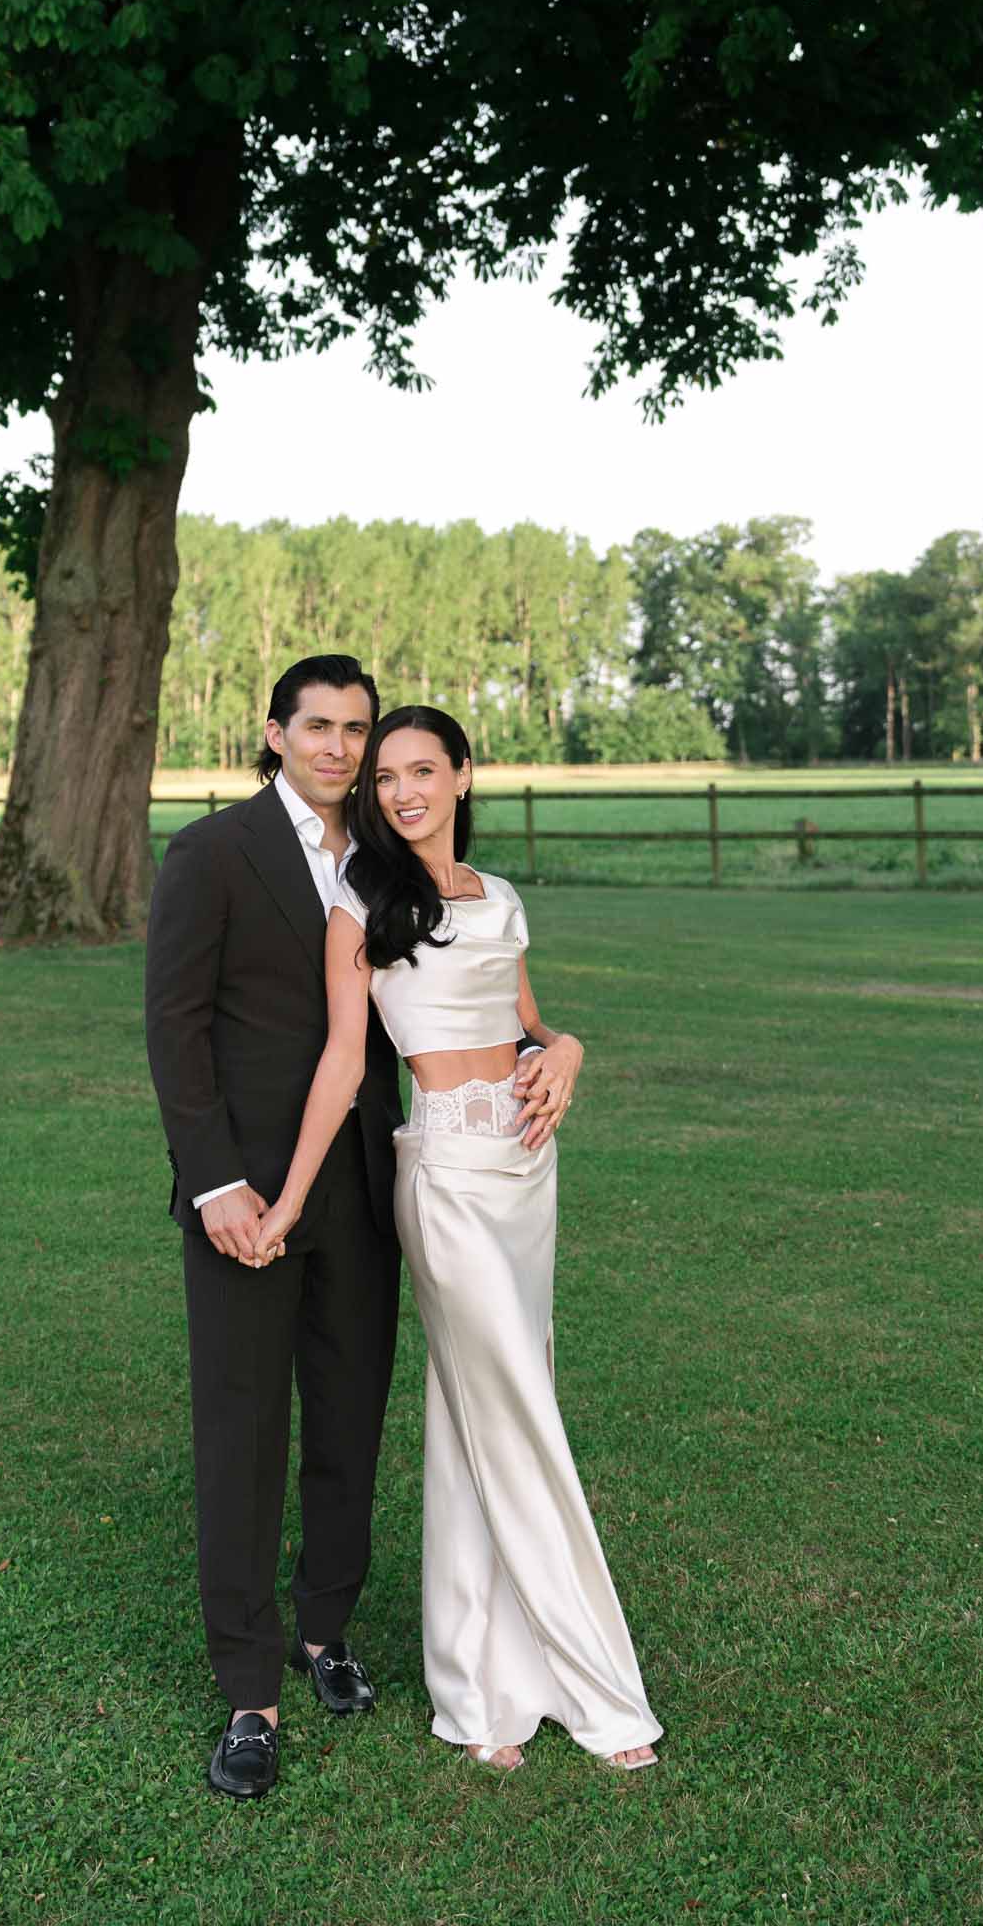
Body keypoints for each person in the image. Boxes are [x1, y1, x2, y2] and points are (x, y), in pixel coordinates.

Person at [255, 705, 664, 1775]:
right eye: (385, 775)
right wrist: (290, 1196)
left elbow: (526, 1022)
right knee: (515, 1408)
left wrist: (567, 1043)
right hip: (440, 1178)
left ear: (462, 774)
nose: (399, 790)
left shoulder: (500, 896)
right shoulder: (361, 904)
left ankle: (481, 1682)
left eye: (420, 769)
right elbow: (344, 1064)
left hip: (527, 1175)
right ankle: (596, 1682)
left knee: (485, 1405)